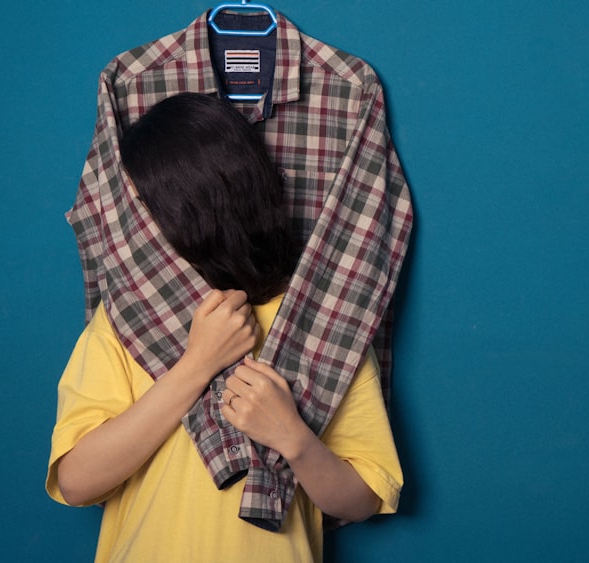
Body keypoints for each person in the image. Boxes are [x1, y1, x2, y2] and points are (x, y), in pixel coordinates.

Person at [46, 93, 402, 562]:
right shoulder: (126, 315)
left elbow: (360, 501)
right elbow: (75, 482)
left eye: (144, 200)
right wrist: (197, 365)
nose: (134, 222)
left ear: (196, 199)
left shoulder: (324, 318)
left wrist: (292, 436)